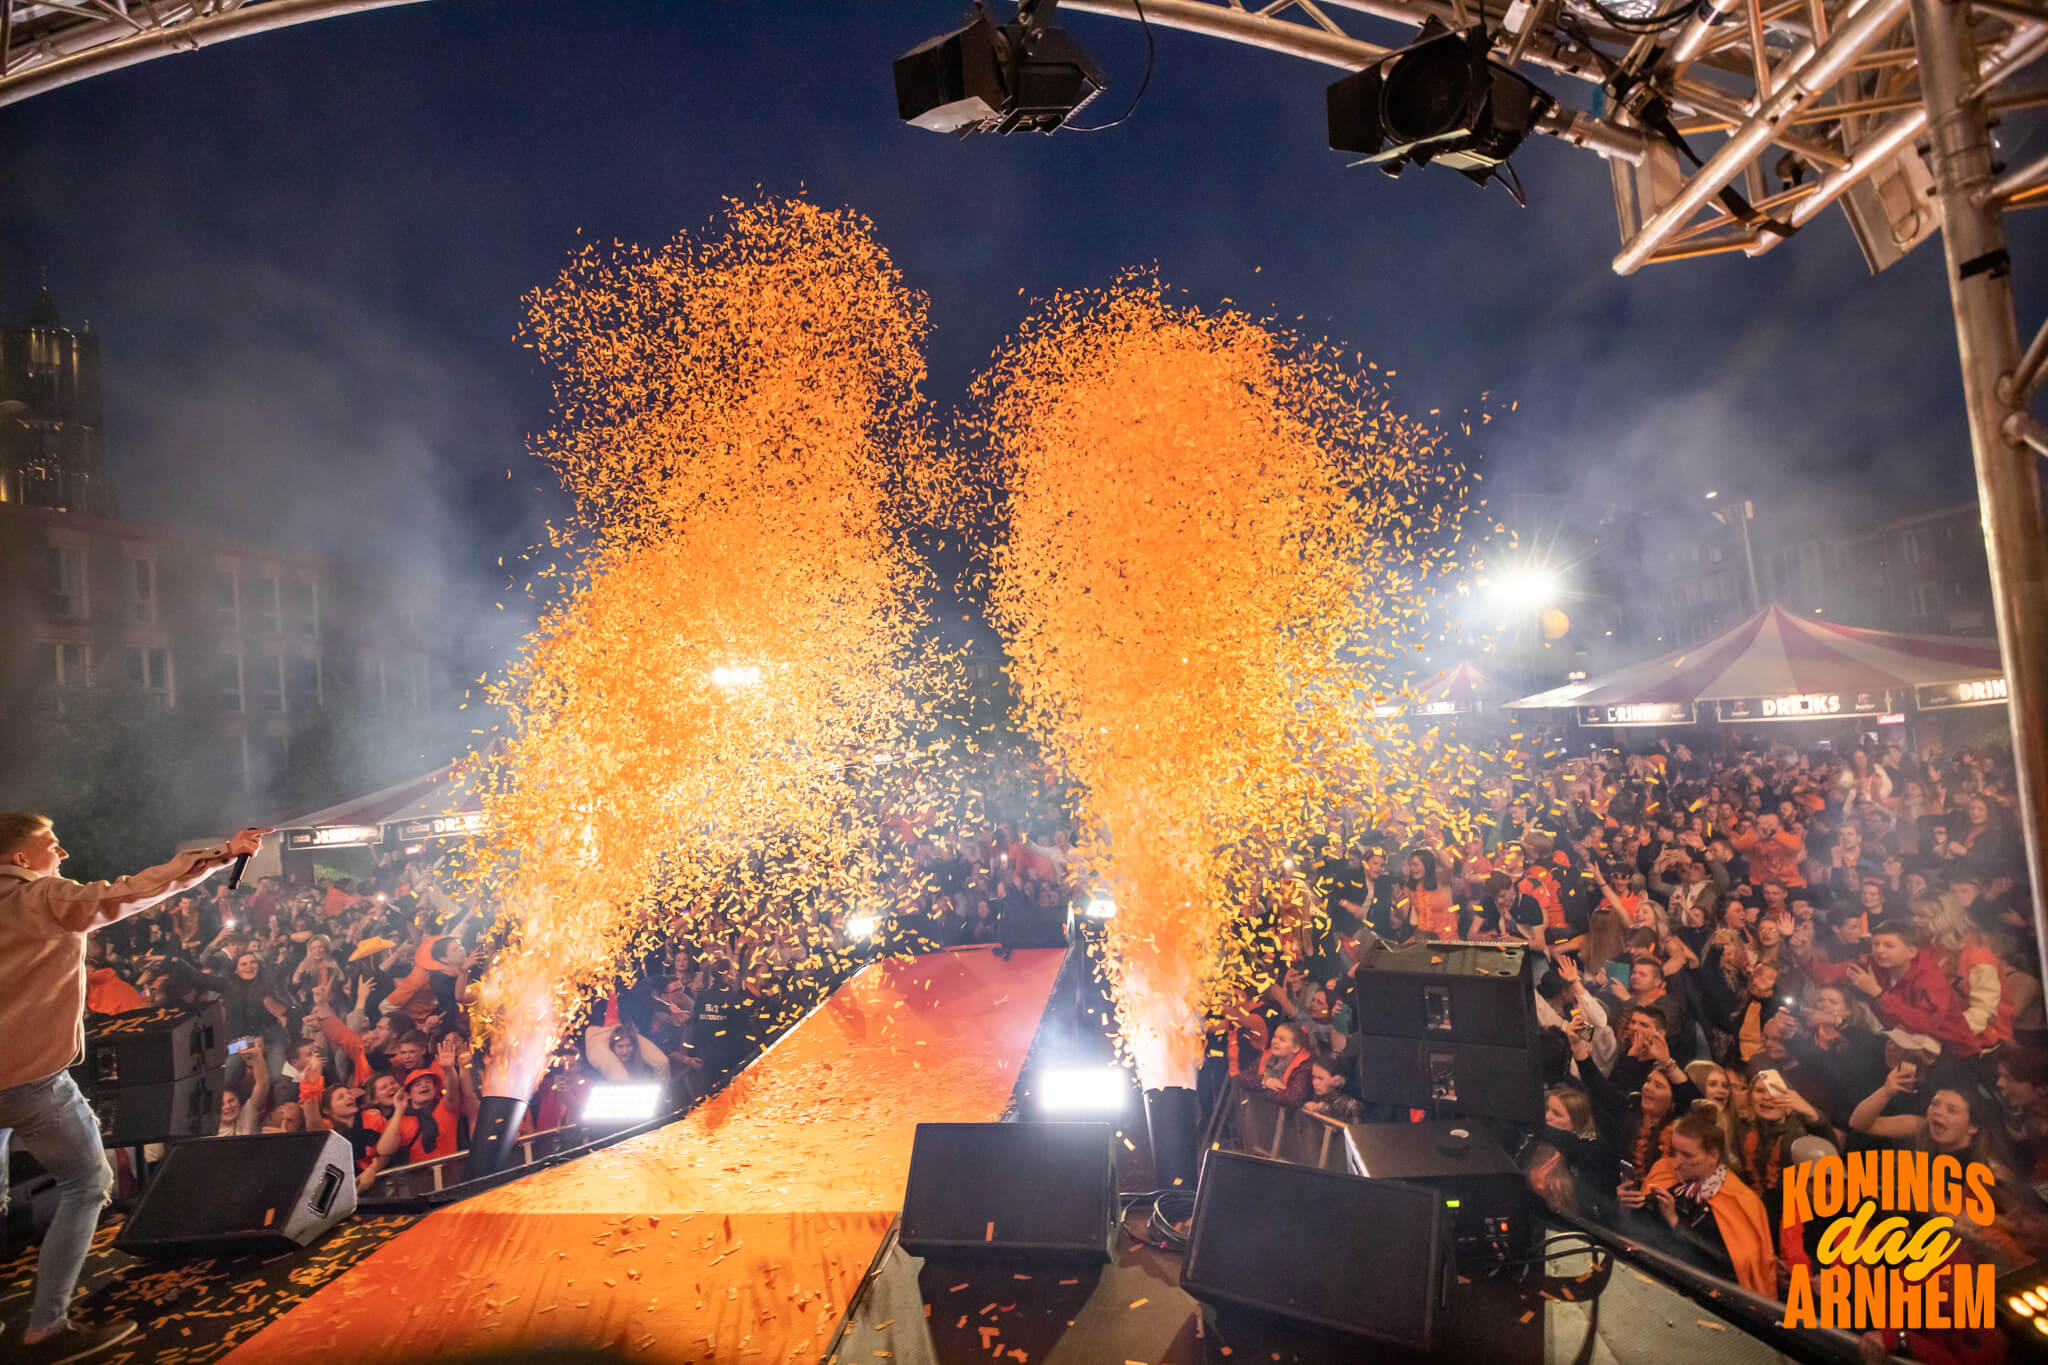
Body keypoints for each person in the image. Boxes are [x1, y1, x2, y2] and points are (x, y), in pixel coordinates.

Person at [0, 813, 269, 1362]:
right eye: (51, 846)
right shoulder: (42, 898)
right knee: (86, 1183)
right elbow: (132, 892)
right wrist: (221, 853)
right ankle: (46, 1329)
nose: (63, 855)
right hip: (27, 1081)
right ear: (21, 859)